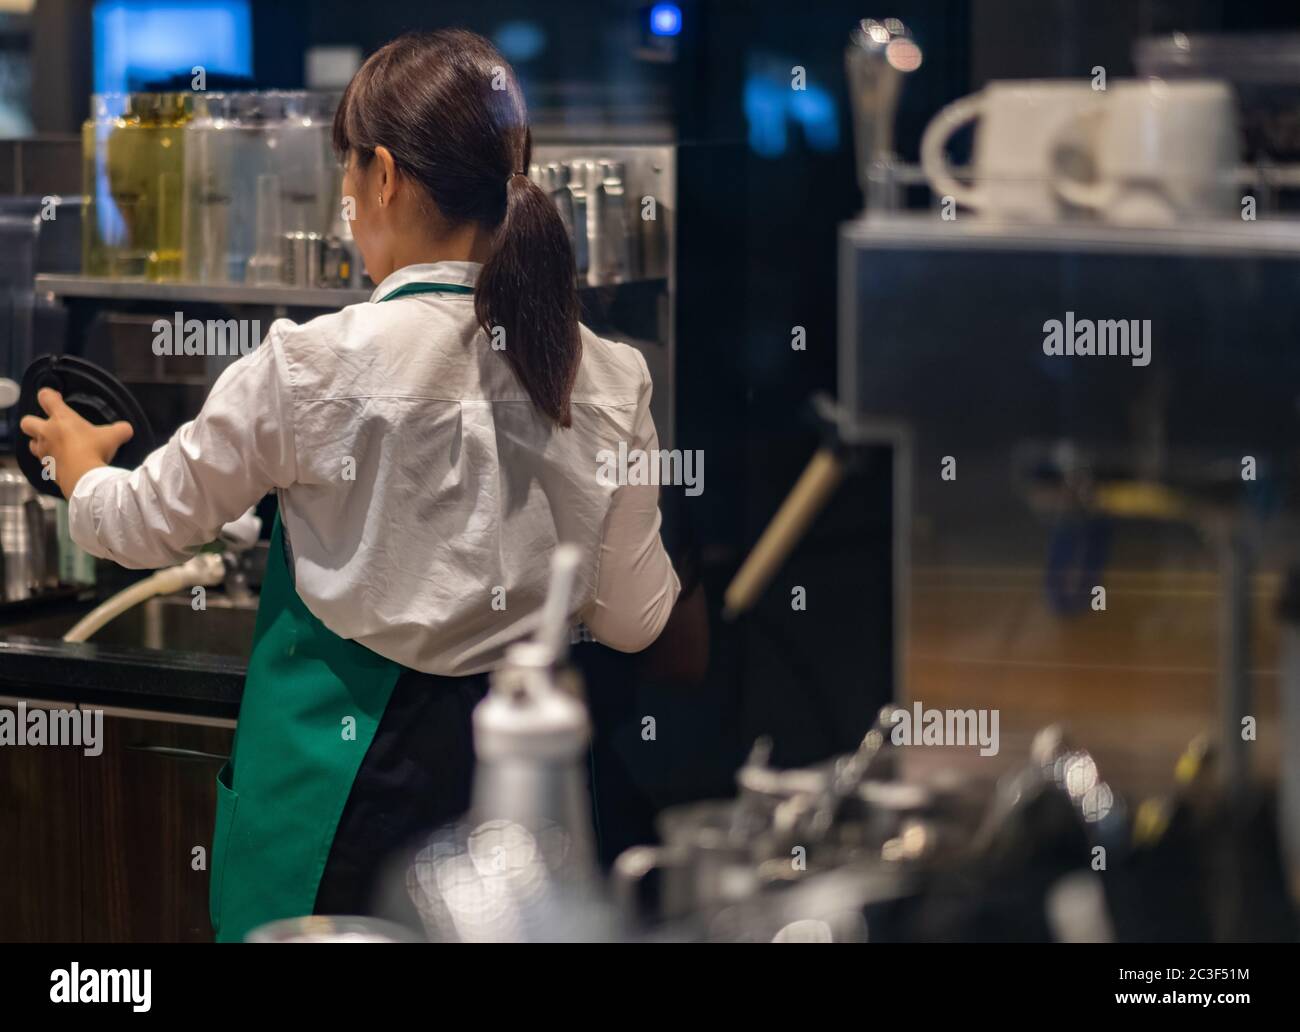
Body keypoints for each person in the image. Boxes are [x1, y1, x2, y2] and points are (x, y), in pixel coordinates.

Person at [20, 29, 679, 942]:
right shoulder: (610, 374)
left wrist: (80, 466)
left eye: (346, 174)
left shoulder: (306, 365)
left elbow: (137, 526)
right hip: (522, 806)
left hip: (337, 804)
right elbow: (635, 617)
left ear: (382, 174)